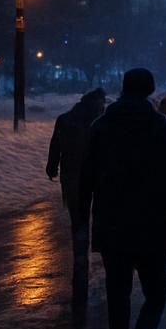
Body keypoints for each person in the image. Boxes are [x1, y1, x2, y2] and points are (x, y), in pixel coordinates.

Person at [78, 69, 166, 329]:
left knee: (117, 295)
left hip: (112, 227)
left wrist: (82, 222)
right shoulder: (162, 128)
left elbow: (86, 180)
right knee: (155, 295)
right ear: (150, 90)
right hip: (152, 226)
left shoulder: (101, 127)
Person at [46, 87, 107, 296]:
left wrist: (52, 166)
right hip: (97, 178)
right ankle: (98, 250)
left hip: (72, 177)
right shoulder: (101, 122)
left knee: (78, 217)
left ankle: (80, 252)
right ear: (97, 102)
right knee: (98, 213)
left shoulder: (65, 119)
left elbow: (56, 145)